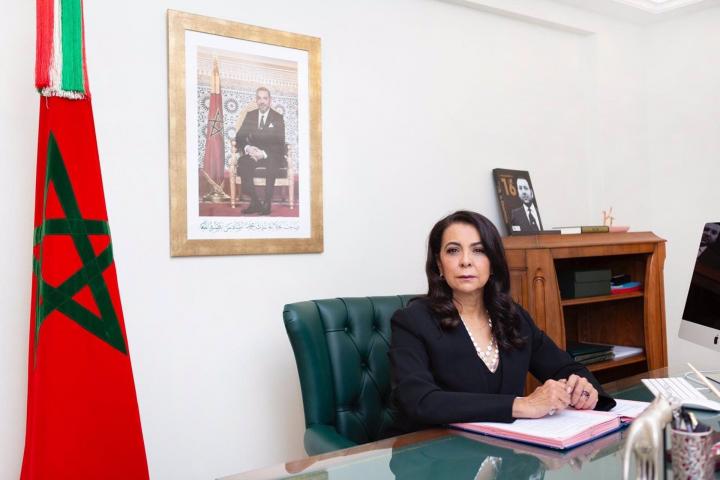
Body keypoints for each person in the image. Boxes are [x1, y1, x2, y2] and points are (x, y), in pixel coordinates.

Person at [388, 210, 615, 435]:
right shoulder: (412, 321)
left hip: (503, 449)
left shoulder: (513, 317)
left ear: (493, 263)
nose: (465, 261)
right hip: (432, 450)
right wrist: (521, 405)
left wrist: (583, 388)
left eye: (478, 250)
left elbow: (564, 367)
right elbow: (418, 400)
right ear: (439, 263)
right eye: (453, 250)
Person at [235, 87, 286, 215]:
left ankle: (267, 203)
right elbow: (240, 136)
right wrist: (248, 148)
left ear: (270, 100)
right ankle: (255, 202)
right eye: (259, 98)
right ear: (256, 100)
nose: (262, 101)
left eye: (265, 98)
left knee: (272, 163)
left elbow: (280, 142)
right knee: (243, 162)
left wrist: (263, 154)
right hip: (254, 152)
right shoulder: (250, 115)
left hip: (271, 154)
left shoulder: (278, 117)